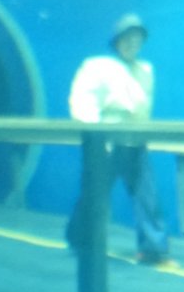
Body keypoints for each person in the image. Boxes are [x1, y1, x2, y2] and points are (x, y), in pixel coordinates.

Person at [66, 14, 172, 266]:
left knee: (147, 198)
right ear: (117, 40)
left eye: (137, 38)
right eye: (127, 37)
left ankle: (152, 249)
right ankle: (80, 239)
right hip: (106, 140)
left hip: (135, 141)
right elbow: (83, 100)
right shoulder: (97, 66)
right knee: (94, 195)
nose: (132, 42)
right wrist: (96, 139)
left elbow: (143, 108)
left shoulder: (145, 70)